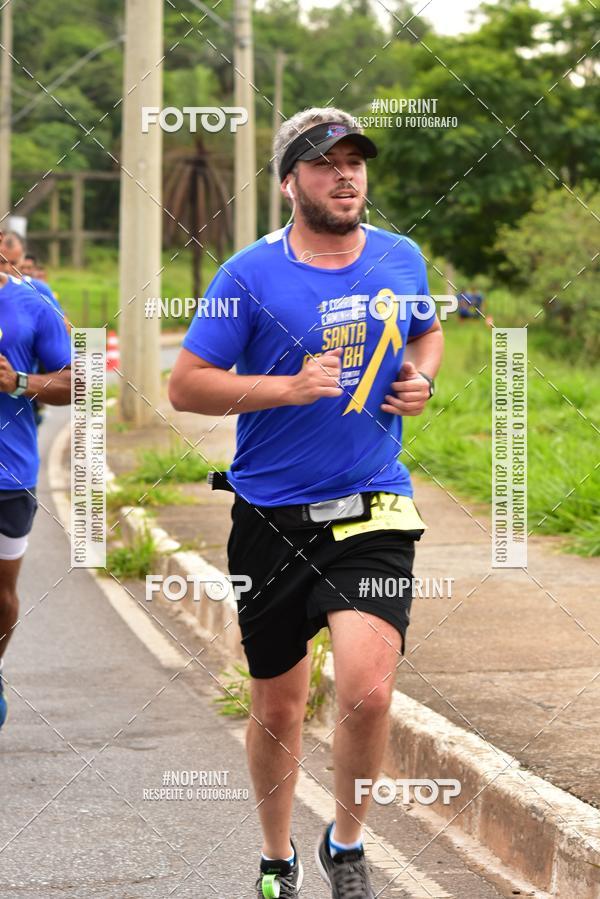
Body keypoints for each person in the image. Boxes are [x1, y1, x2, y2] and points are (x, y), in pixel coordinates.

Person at [169, 106, 443, 899]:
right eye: (324, 163)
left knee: (367, 687)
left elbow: (425, 332)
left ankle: (347, 845)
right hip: (268, 519)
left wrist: (422, 377)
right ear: (290, 181)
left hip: (372, 507)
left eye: (355, 160)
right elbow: (186, 384)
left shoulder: (400, 257)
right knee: (279, 707)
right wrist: (287, 387)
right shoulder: (247, 276)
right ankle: (275, 855)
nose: (346, 174)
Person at [0, 228, 72, 731]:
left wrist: (21, 382)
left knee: (2, 592)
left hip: (9, 472)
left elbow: (78, 380)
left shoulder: (32, 303)